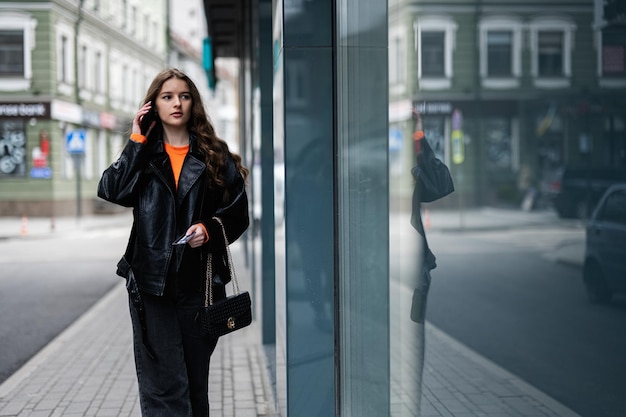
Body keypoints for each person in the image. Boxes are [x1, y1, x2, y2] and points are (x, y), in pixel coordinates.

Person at [97, 68, 249, 416]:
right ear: (154, 105)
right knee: (165, 386)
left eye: (183, 95)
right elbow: (112, 190)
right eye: (167, 97)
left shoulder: (213, 154)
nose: (176, 103)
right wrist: (136, 141)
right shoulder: (144, 155)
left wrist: (209, 230)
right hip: (152, 288)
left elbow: (239, 214)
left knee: (194, 384)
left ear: (193, 102)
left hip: (199, 286)